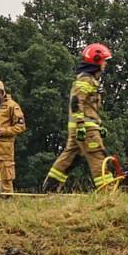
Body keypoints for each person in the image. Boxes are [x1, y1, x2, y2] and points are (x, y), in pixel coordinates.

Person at [44, 42, 115, 192]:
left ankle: (50, 188)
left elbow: (90, 106)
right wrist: (82, 125)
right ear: (97, 61)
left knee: (69, 157)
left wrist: (99, 125)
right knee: (98, 157)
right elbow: (77, 102)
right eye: (104, 61)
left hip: (85, 126)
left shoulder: (89, 80)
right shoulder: (86, 80)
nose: (105, 65)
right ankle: (107, 191)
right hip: (86, 128)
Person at [0, 81, 27, 195]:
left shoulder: (12, 106)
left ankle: (7, 200)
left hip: (4, 149)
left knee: (6, 178)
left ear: (3, 92)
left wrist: (5, 131)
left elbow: (21, 126)